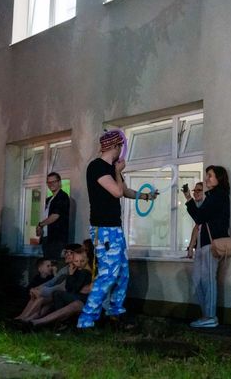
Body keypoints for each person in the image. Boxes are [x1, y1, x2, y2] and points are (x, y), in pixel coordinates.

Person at [77, 129, 157, 329]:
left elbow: (125, 191)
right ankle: (86, 320)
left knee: (122, 273)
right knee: (108, 275)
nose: (122, 150)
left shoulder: (111, 168)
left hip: (114, 229)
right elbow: (117, 191)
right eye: (120, 146)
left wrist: (145, 196)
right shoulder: (96, 167)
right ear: (115, 146)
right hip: (103, 229)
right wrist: (118, 172)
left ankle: (115, 314)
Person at [182, 165, 230, 328]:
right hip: (203, 244)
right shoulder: (212, 196)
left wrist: (189, 201)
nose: (207, 178)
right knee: (198, 279)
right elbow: (200, 218)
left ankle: (210, 316)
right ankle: (206, 315)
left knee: (208, 279)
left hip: (212, 243)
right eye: (207, 175)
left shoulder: (218, 195)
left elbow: (199, 217)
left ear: (219, 178)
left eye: (210, 175)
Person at [26, 247, 92, 329]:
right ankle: (25, 319)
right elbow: (65, 285)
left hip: (79, 298)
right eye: (77, 261)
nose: (79, 264)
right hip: (69, 294)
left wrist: (71, 275)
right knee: (52, 296)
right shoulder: (73, 270)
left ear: (87, 260)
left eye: (82, 261)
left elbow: (72, 288)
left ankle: (56, 321)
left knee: (51, 296)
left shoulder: (84, 272)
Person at [15, 244, 80, 322]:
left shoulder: (77, 270)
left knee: (41, 298)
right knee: (38, 296)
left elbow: (59, 287)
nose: (67, 255)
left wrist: (41, 290)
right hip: (55, 294)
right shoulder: (65, 269)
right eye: (66, 252)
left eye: (71, 253)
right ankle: (21, 317)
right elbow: (52, 282)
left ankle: (25, 320)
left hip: (63, 296)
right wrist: (37, 288)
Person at [36, 172, 70, 261]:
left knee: (54, 264)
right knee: (47, 263)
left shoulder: (62, 196)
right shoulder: (48, 199)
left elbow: (55, 215)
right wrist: (40, 228)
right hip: (47, 238)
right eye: (49, 182)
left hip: (56, 239)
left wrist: (40, 224)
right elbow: (46, 217)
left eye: (53, 181)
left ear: (59, 182)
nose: (51, 184)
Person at [186, 182, 205, 259]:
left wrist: (189, 198)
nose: (195, 193)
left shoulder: (207, 206)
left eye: (199, 190)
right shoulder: (200, 205)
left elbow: (198, 221)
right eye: (194, 190)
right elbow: (197, 226)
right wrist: (190, 248)